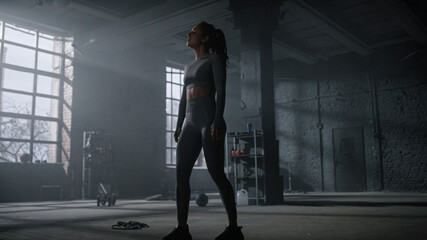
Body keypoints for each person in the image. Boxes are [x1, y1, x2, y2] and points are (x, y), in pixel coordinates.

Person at [163, 22, 244, 240]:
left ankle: (234, 229)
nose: (189, 34)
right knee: (181, 176)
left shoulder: (214, 60)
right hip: (190, 123)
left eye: (194, 32)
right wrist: (179, 123)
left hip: (209, 121)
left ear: (205, 38)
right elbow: (183, 97)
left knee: (217, 173)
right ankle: (182, 229)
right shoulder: (188, 65)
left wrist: (218, 119)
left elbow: (222, 91)